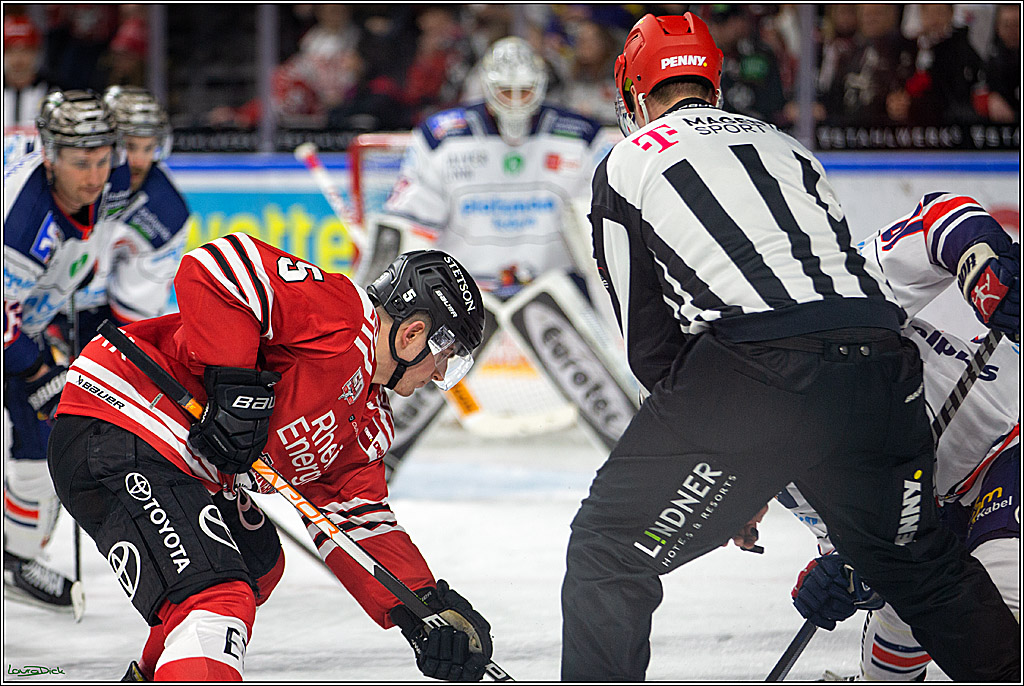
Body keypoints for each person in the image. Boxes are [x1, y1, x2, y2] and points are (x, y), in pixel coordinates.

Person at [560, 13, 1019, 682]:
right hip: (882, 360)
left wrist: (731, 461)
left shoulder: (628, 159)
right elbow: (844, 274)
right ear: (713, 86)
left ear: (632, 93)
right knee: (922, 571)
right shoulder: (786, 146)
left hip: (757, 364)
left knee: (607, 550)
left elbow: (651, 348)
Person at [46, 236, 494, 681]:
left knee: (257, 562)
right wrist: (234, 386)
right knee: (217, 598)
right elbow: (215, 267)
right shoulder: (342, 314)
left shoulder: (368, 420)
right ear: (413, 332)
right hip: (119, 416)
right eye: (445, 357)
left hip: (180, 464)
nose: (440, 374)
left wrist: (423, 607)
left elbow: (354, 516)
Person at [786, 192, 1019, 681]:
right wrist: (848, 575)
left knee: (997, 608)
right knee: (888, 661)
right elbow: (864, 532)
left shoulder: (836, 287)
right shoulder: (757, 448)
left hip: (1006, 444)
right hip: (928, 510)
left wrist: (981, 265)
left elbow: (942, 217)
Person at [359, 36, 610, 476]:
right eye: (506, 91)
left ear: (542, 86)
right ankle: (372, 462)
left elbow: (597, 224)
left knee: (606, 387)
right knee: (416, 370)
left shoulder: (580, 137)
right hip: (464, 291)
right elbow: (409, 226)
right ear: (487, 88)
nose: (515, 102)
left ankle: (638, 461)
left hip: (550, 285)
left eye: (525, 91)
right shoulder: (442, 137)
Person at [3, 89, 131, 611]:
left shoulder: (93, 188)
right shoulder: (23, 222)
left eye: (103, 159)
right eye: (82, 162)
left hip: (22, 321)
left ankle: (17, 557)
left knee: (41, 426)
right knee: (39, 411)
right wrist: (36, 367)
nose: (96, 175)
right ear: (50, 155)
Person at [63, 85, 189, 347]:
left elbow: (133, 318)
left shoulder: (166, 213)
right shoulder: (64, 179)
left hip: (95, 320)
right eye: (130, 146)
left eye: (148, 148)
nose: (139, 161)